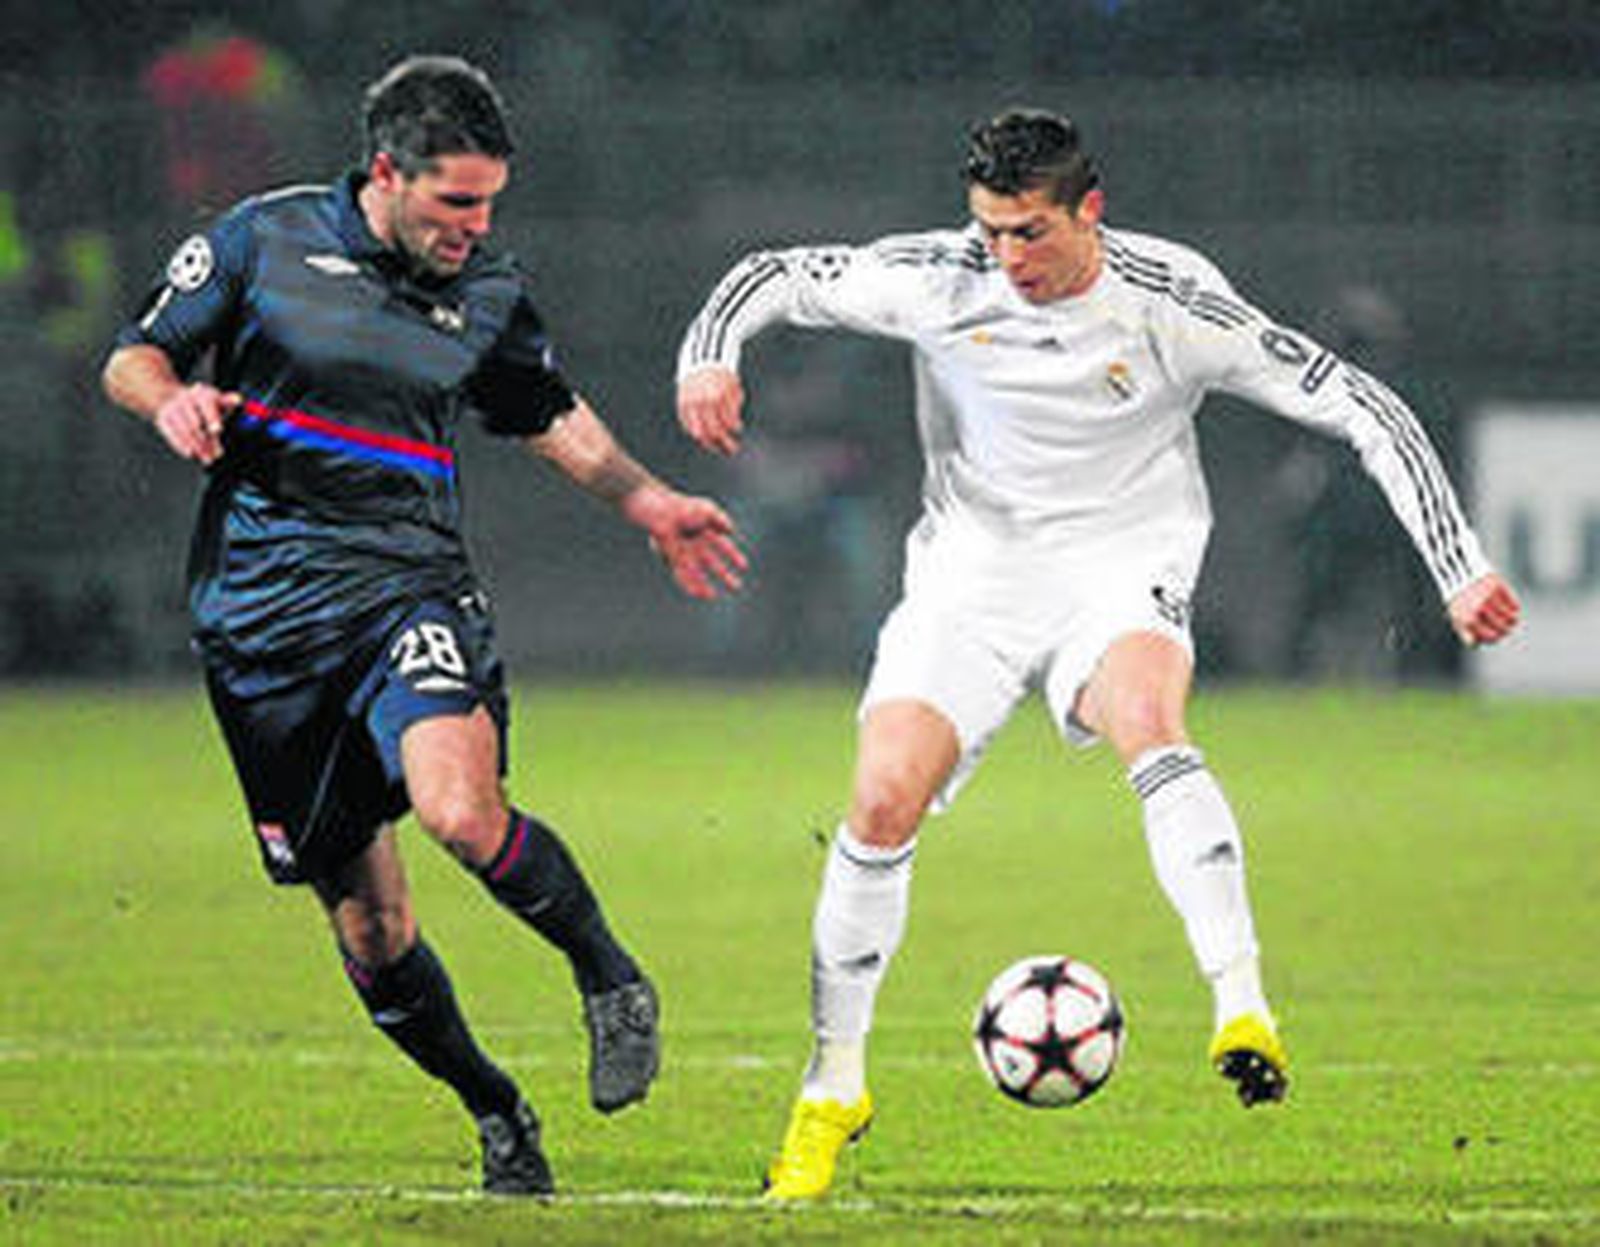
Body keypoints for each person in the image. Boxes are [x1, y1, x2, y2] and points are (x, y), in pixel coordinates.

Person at [675, 108, 1520, 1200]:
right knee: (880, 798)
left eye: (1028, 231)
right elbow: (772, 274)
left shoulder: (1172, 303)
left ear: (1090, 212)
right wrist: (708, 354)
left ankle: (1240, 1001)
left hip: (1123, 564)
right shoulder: (942, 277)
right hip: (971, 575)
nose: (1004, 256)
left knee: (1147, 721)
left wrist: (1457, 564)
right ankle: (833, 1083)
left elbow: (1357, 404)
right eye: (988, 230)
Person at [102, 54, 746, 1196]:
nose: (476, 225)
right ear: (386, 173)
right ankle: (496, 1108)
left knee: (459, 809)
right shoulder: (260, 240)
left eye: (490, 200)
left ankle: (608, 974)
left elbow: (544, 412)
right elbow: (133, 356)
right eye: (455, 201)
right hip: (260, 626)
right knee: (369, 924)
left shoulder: (488, 291)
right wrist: (175, 398)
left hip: (410, 586)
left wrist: (647, 500)